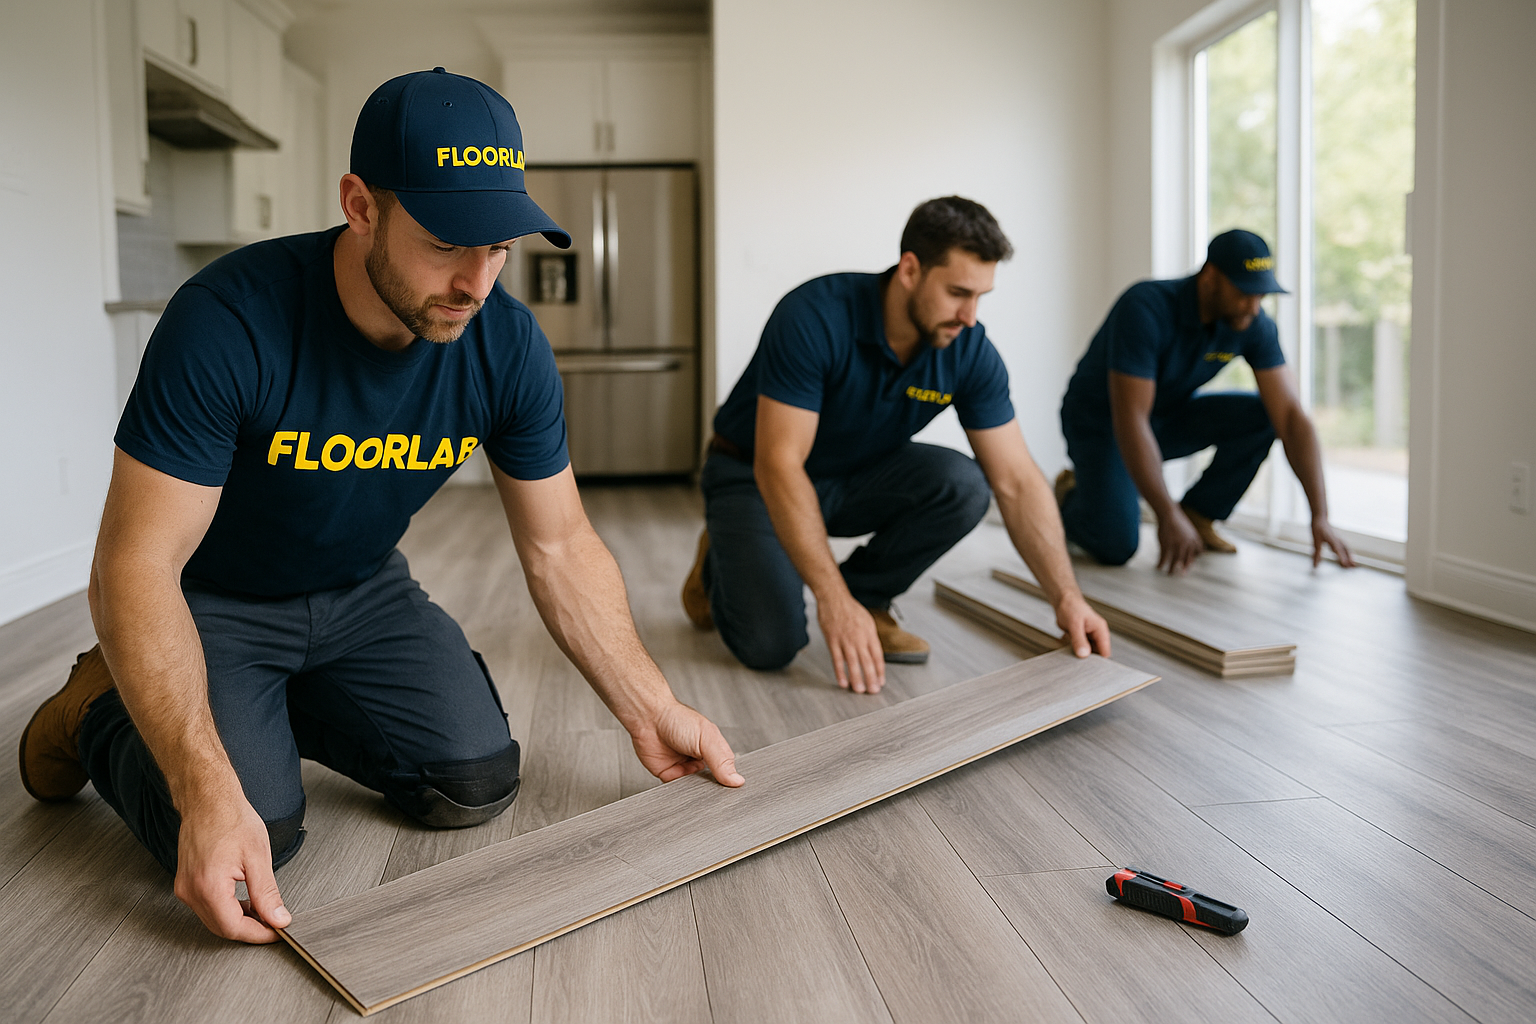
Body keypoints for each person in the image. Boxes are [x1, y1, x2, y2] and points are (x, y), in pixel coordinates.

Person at [18, 68, 742, 947]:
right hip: (212, 604)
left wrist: (649, 704)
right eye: (446, 242)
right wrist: (208, 785)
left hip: (362, 596)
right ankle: (96, 708)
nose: (478, 282)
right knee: (253, 837)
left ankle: (261, 713)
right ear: (361, 205)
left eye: (500, 245)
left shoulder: (504, 345)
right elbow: (134, 565)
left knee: (472, 781)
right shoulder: (228, 321)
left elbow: (559, 546)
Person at [682, 197, 1111, 695]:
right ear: (910, 269)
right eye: (957, 293)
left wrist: (1067, 597)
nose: (970, 316)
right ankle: (721, 558)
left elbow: (1015, 480)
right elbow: (778, 463)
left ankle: (867, 597)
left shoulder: (968, 350)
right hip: (754, 477)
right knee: (769, 645)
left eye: (981, 296)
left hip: (853, 475)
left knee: (965, 484)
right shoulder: (814, 316)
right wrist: (828, 597)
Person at [1057, 229, 1357, 574]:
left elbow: (1289, 416)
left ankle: (1198, 514)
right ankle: (1069, 498)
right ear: (1210, 277)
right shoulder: (1144, 307)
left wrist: (1320, 515)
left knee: (1264, 415)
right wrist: (1165, 513)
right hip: (1102, 424)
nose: (1253, 305)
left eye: (1261, 294)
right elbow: (1131, 419)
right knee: (1116, 545)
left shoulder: (1251, 322)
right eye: (1244, 292)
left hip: (1166, 416)